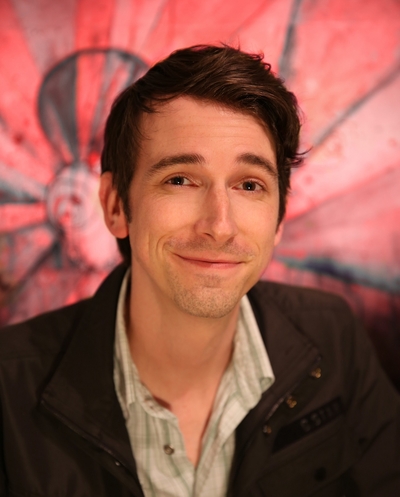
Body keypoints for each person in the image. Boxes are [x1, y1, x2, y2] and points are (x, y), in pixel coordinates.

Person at [0, 45, 399, 497]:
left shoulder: (335, 339)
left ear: (278, 220)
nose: (219, 225)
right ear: (115, 206)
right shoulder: (9, 391)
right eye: (180, 179)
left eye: (249, 185)